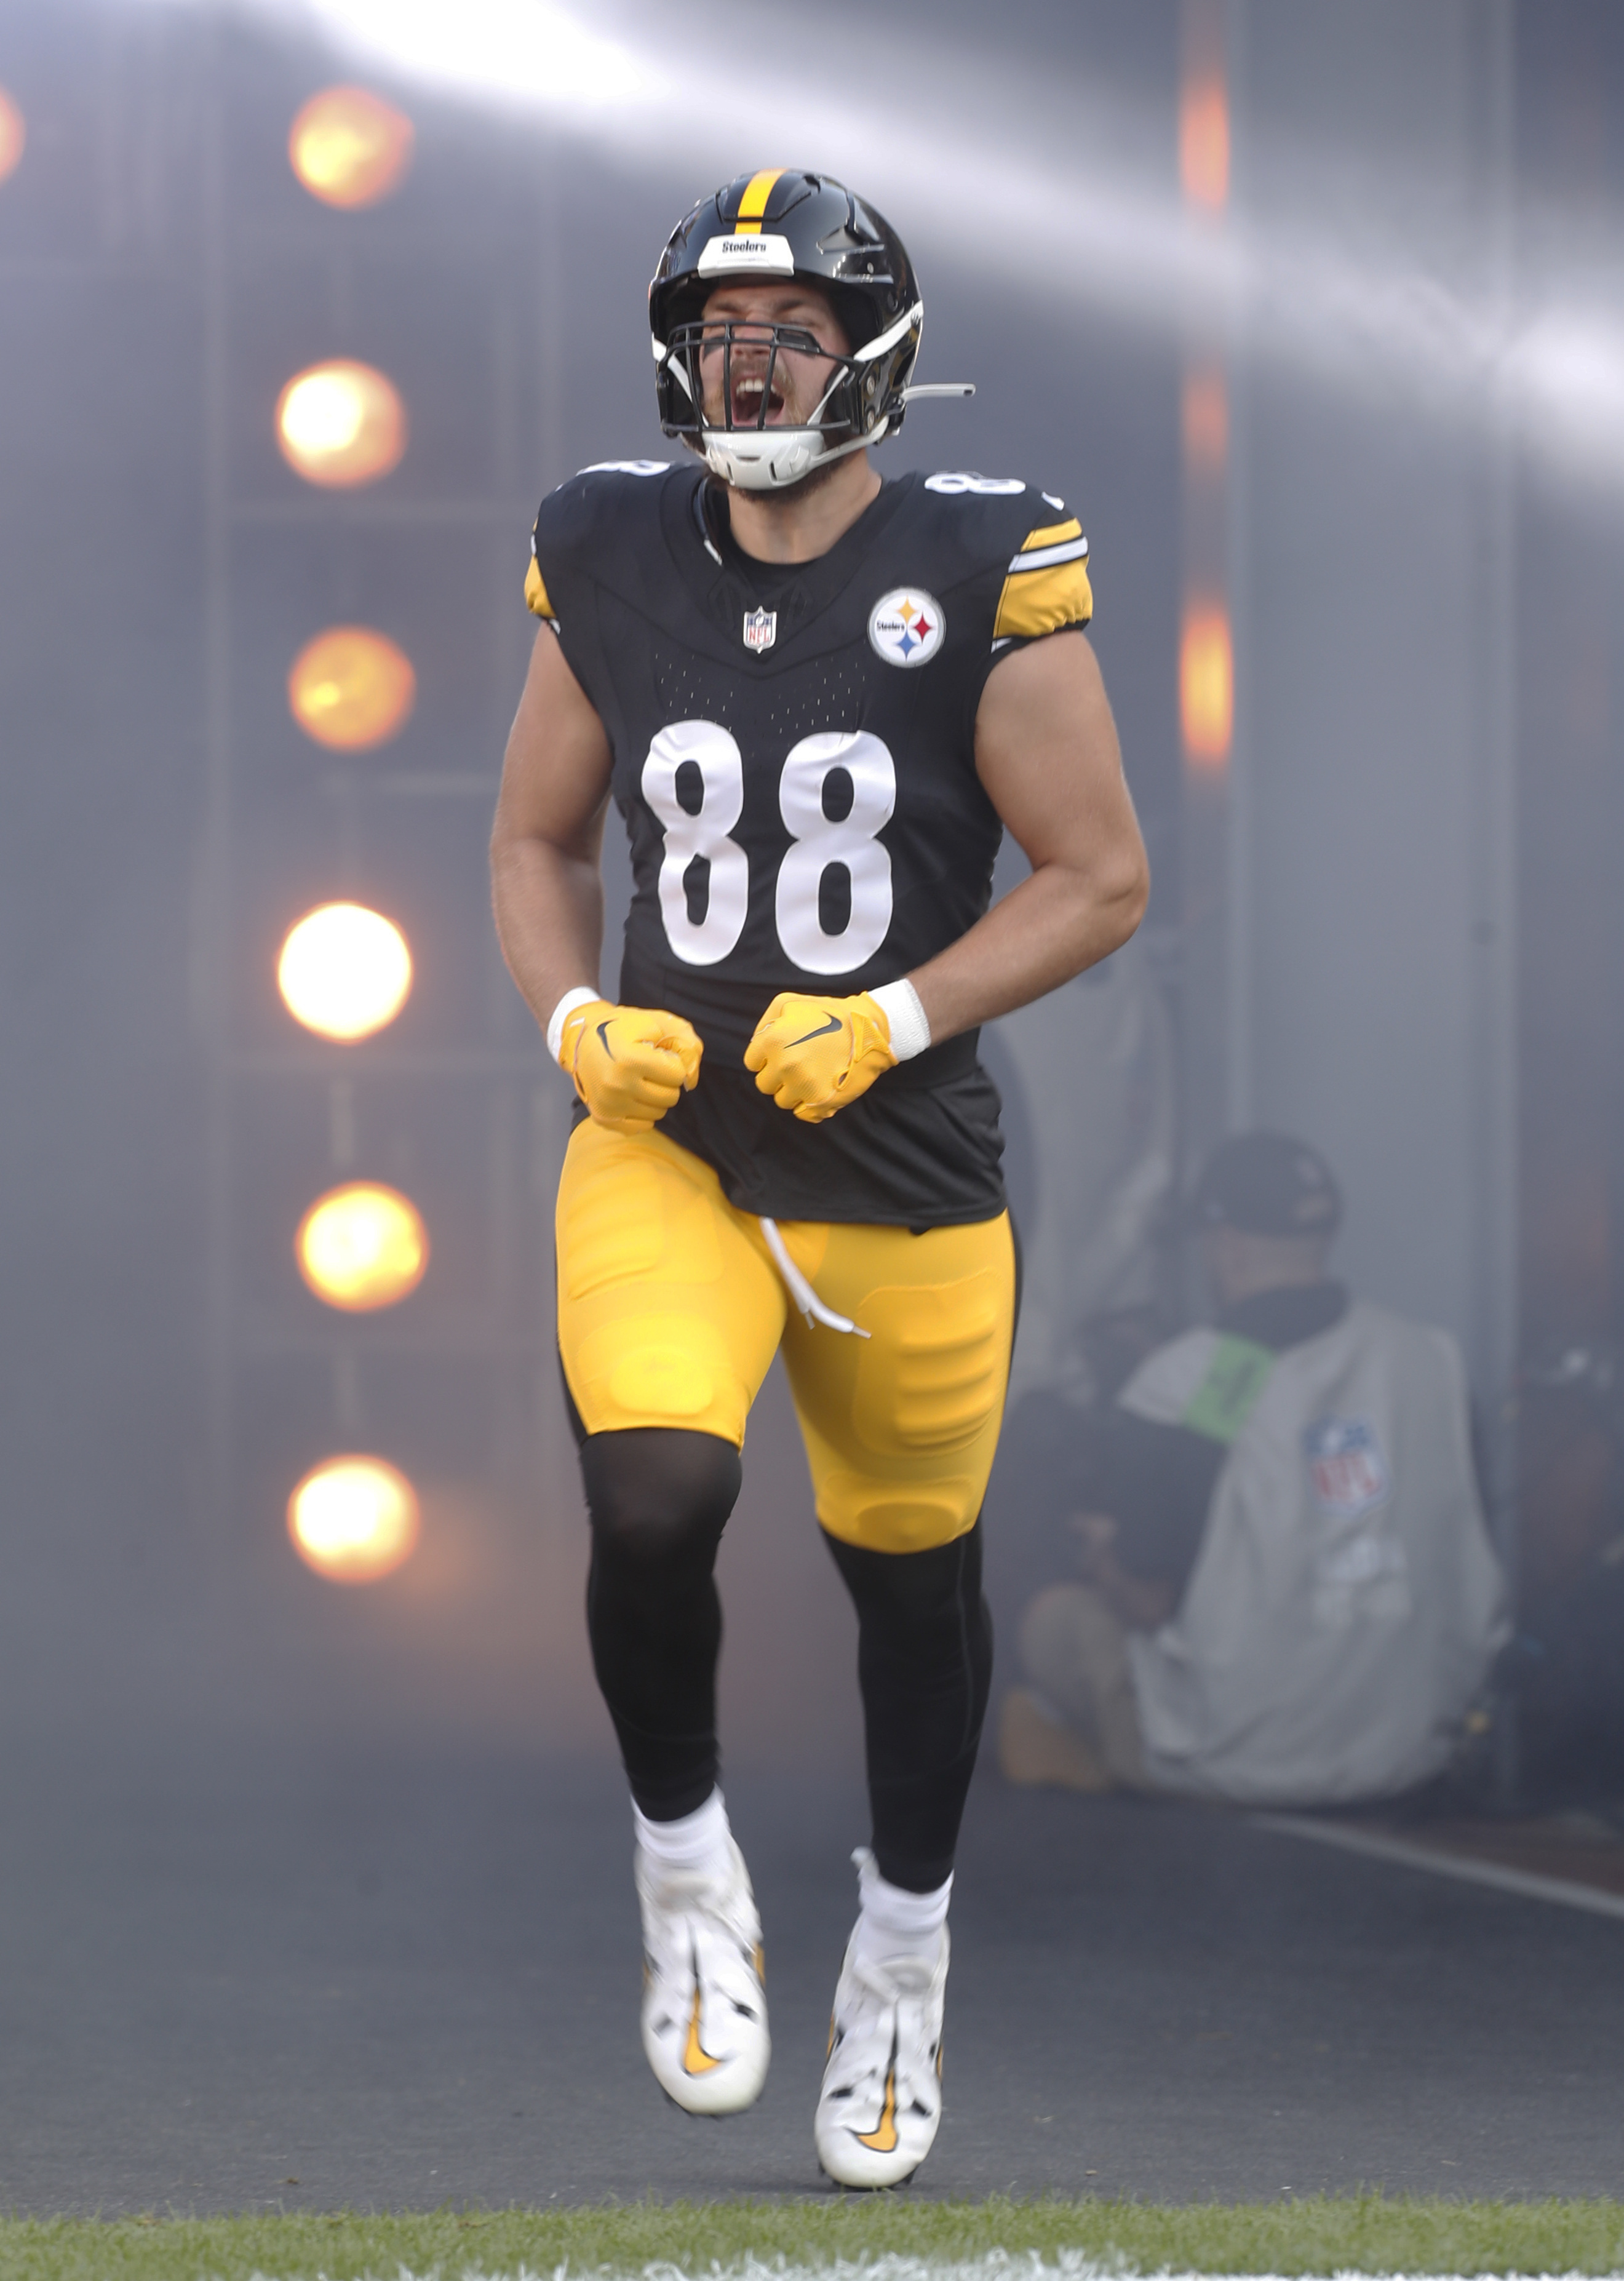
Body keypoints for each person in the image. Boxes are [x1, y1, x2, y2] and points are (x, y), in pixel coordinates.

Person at [490, 168, 1147, 2186]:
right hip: (670, 1142)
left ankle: (903, 1955)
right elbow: (539, 845)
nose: (742, 360)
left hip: (905, 1165)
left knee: (909, 1579)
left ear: (877, 351)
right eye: (715, 327)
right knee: (656, 1482)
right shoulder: (607, 539)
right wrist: (570, 1024)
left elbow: (1101, 873)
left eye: (782, 327)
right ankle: (685, 1864)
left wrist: (898, 1009)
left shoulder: (985, 550)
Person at [1000, 1133, 1508, 1805]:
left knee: (1051, 1609)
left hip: (1240, 1759)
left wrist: (1100, 1554)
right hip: (1410, 1749)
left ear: (1226, 1244)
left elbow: (1150, 1596)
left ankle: (1086, 1752)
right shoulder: (1431, 1360)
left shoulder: (1207, 1378)